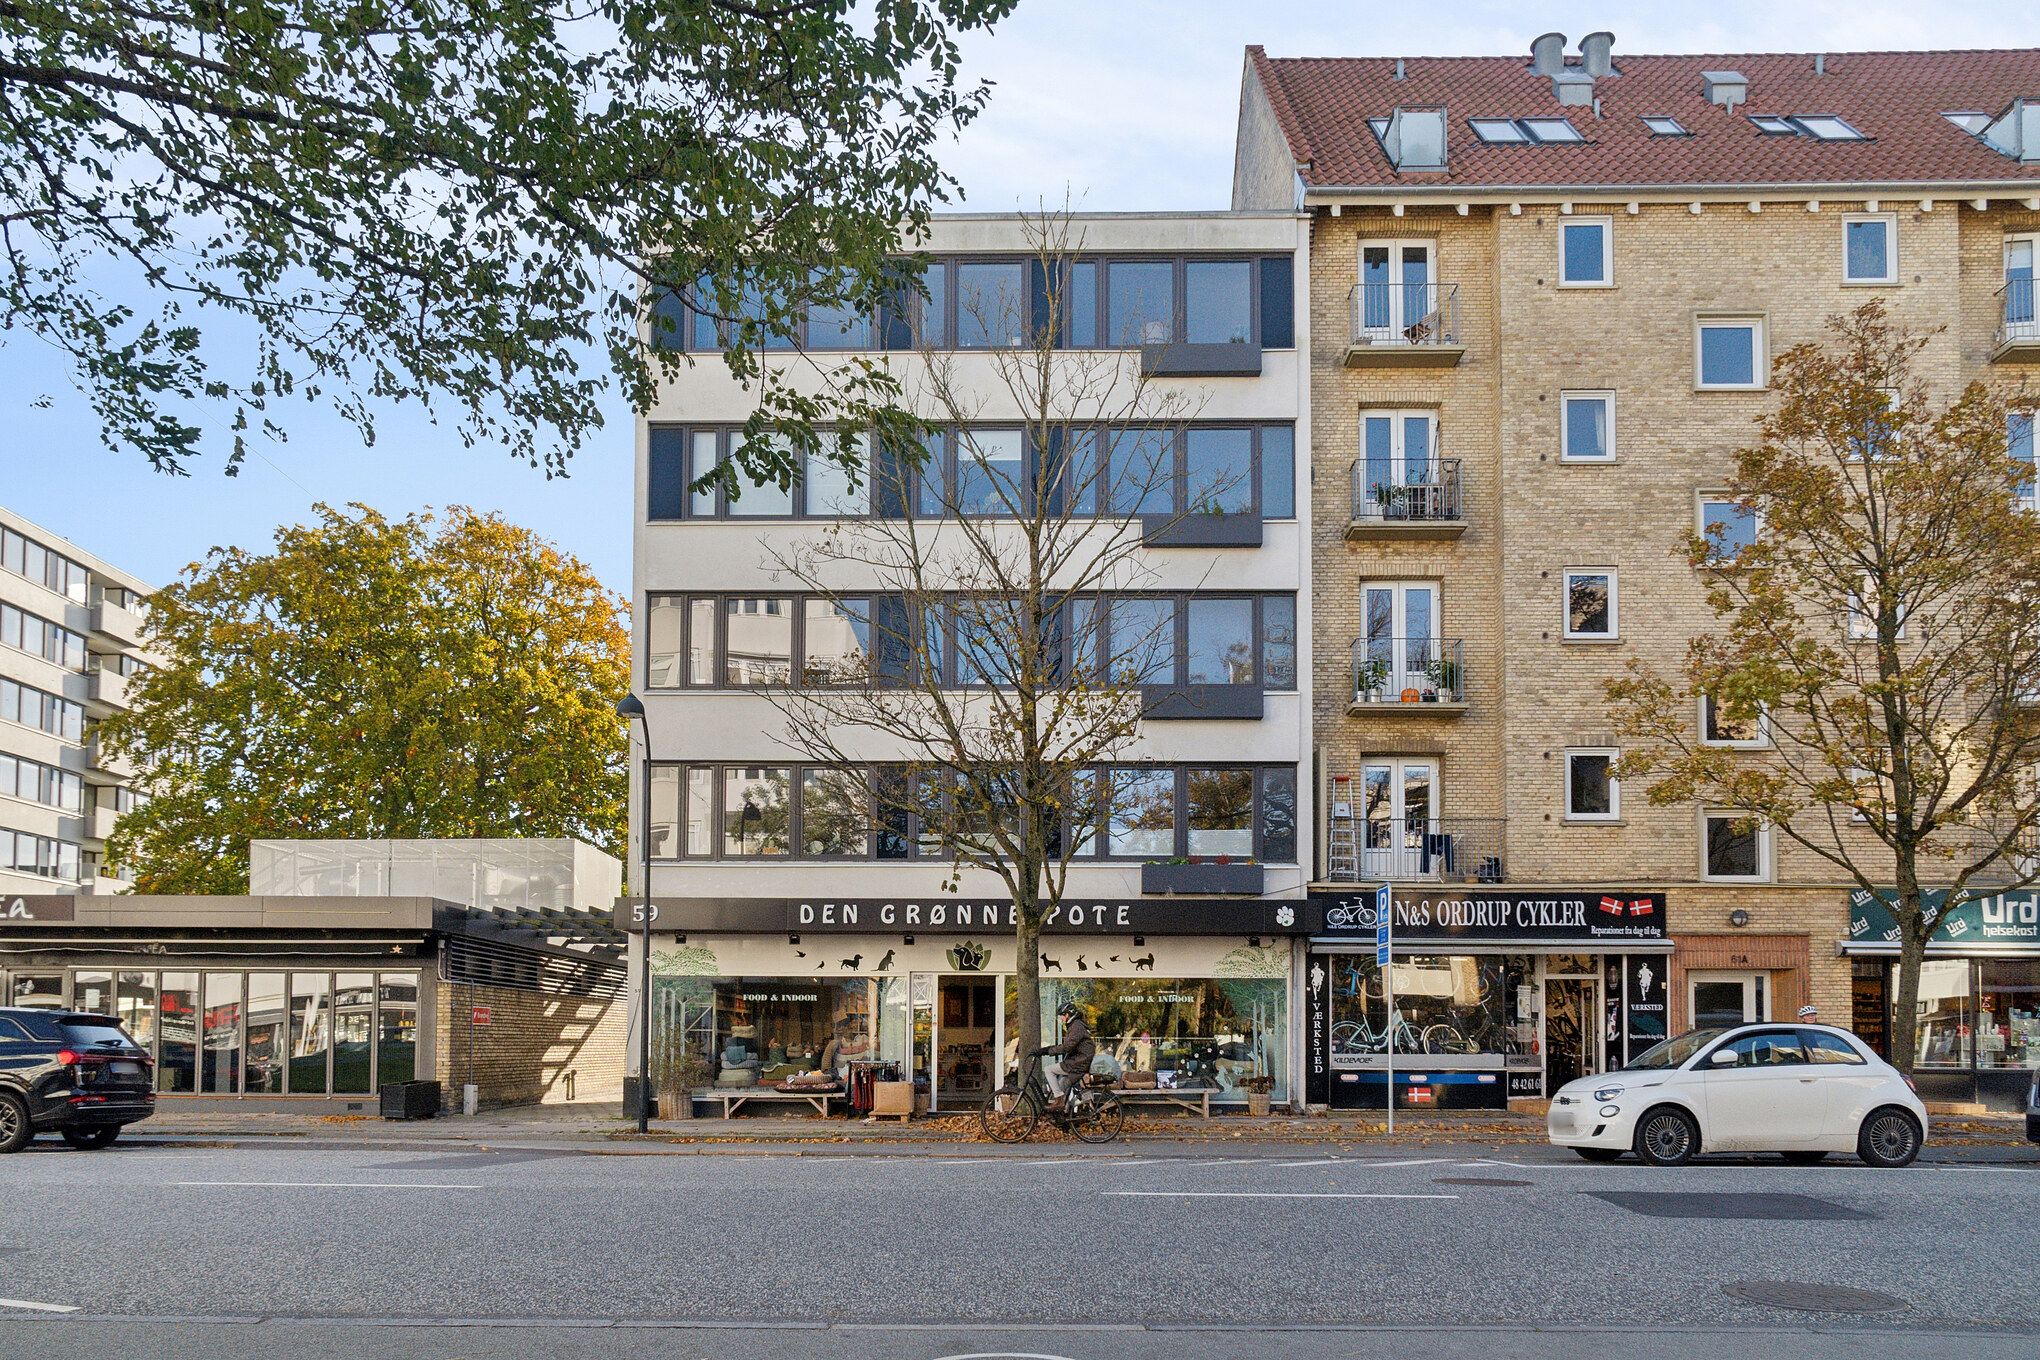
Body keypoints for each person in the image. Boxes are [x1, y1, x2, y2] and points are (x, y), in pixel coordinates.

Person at [1035, 1000, 1095, 1112]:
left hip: (1078, 1062)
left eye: (1062, 1016)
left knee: (1049, 1070)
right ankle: (1064, 1113)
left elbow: (1066, 1047)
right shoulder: (1075, 1026)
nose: (1061, 1019)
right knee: (1062, 1083)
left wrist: (1046, 1051)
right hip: (1079, 1061)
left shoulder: (1076, 1027)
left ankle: (1058, 1101)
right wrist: (1047, 1050)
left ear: (1068, 1015)